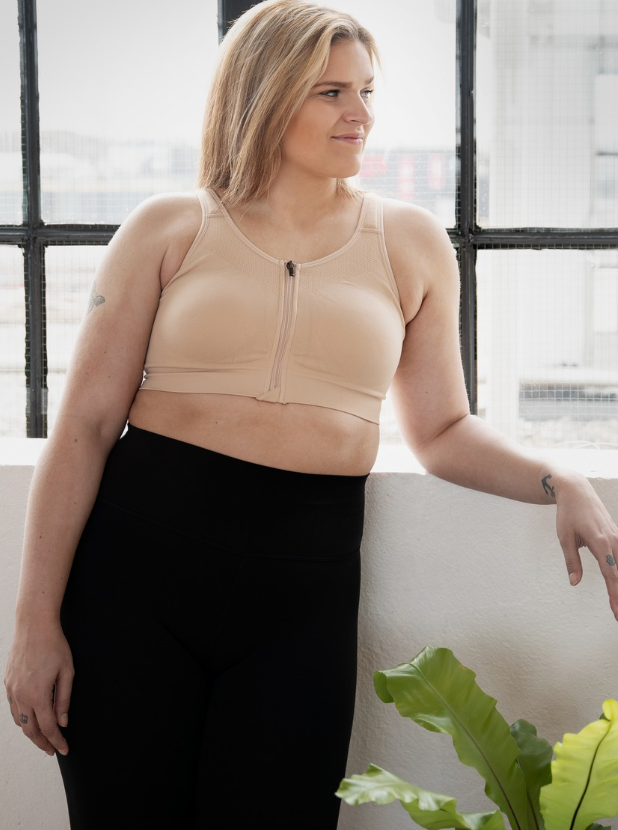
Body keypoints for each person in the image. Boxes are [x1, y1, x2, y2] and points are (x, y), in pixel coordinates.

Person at [4, 0, 618, 828]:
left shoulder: (409, 243)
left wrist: (558, 479)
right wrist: (34, 623)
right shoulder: (170, 227)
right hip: (132, 585)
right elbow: (81, 429)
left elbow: (440, 431)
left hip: (300, 597)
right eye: (331, 92)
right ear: (264, 95)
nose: (359, 113)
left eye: (367, 91)